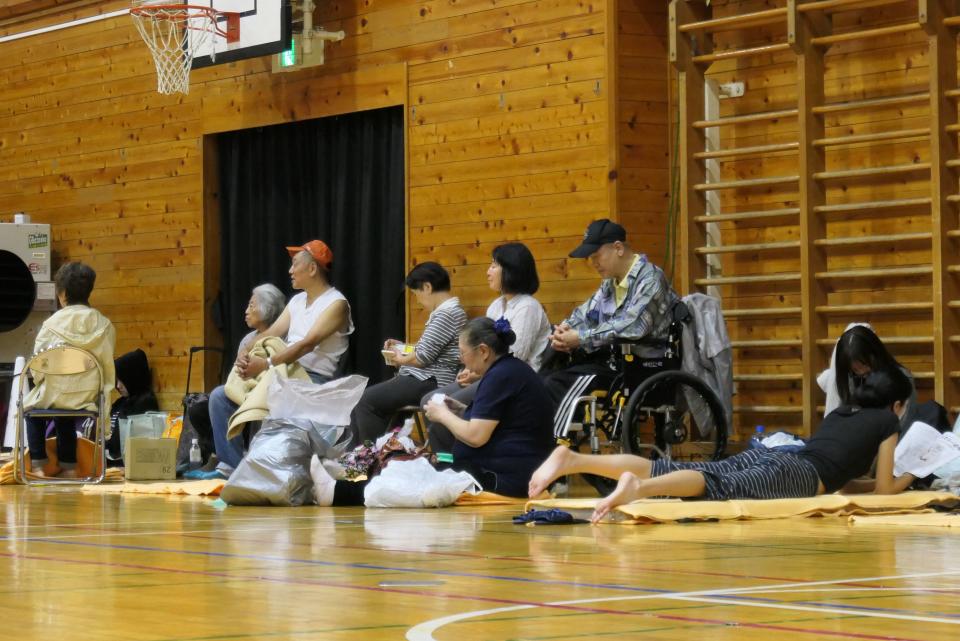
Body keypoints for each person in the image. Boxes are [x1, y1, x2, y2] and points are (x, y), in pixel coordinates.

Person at [529, 368, 917, 523]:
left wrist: (867, 485)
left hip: (782, 457)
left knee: (698, 472)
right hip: (799, 473)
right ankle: (640, 490)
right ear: (896, 405)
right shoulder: (887, 421)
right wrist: (911, 478)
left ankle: (575, 457)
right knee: (714, 486)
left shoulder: (842, 414)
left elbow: (845, 482)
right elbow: (885, 490)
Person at [313, 317, 555, 504]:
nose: (463, 361)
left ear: (483, 351)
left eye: (463, 354)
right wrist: (460, 409)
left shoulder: (501, 376)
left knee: (412, 479)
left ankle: (338, 492)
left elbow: (476, 435)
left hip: (503, 478)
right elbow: (499, 422)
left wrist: (444, 415)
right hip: (504, 470)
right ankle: (342, 484)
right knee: (410, 467)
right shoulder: (508, 371)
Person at [196, 242, 352, 480]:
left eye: (295, 264)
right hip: (281, 373)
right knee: (220, 397)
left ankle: (259, 472)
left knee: (274, 392)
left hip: (310, 379)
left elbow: (306, 344)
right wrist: (246, 351)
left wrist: (267, 364)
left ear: (312, 269)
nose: (290, 271)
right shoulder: (297, 301)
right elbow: (272, 334)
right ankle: (236, 469)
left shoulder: (336, 304)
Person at [545, 218, 679, 437]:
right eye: (591, 258)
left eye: (596, 256)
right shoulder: (611, 282)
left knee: (557, 384)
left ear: (618, 248)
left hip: (641, 366)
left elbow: (633, 326)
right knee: (546, 372)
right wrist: (566, 329)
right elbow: (586, 313)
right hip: (612, 361)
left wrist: (581, 337)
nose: (594, 263)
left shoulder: (651, 278)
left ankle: (553, 448)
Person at [420, 243, 551, 453]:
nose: (488, 271)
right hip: (489, 376)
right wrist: (471, 370)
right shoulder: (496, 305)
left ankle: (458, 460)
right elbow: (484, 349)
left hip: (513, 382)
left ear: (511, 269)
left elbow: (515, 356)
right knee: (429, 400)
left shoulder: (528, 306)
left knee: (446, 408)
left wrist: (478, 374)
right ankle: (447, 458)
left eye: (494, 266)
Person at [349, 261, 466, 445]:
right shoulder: (449, 313)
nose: (418, 300)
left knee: (366, 401)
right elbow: (428, 350)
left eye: (416, 294)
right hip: (425, 378)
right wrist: (404, 348)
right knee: (368, 402)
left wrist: (399, 358)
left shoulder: (447, 314)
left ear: (427, 287)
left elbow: (422, 357)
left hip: (429, 380)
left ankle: (365, 462)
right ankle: (364, 461)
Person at [24, 262, 116, 478]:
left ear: (62, 293)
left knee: (31, 410)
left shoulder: (50, 325)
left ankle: (38, 465)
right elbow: (106, 364)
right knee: (65, 412)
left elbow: (38, 368)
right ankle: (69, 468)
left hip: (56, 392)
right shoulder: (104, 325)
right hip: (87, 396)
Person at [184, 283, 285, 476]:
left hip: (272, 388)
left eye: (252, 306)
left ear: (268, 309)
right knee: (219, 396)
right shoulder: (247, 339)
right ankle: (232, 466)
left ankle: (257, 466)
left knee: (259, 401)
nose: (246, 311)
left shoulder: (283, 336)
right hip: (247, 390)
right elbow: (237, 377)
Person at [819, 324, 918, 431]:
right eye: (855, 371)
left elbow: (907, 425)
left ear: (876, 354)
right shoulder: (849, 379)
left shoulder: (902, 379)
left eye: (864, 365)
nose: (861, 372)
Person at [106, 349, 159, 465]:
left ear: (133, 377)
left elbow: (124, 443)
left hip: (126, 462)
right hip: (110, 457)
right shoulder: (120, 403)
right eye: (116, 381)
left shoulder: (145, 402)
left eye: (122, 380)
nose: (118, 386)